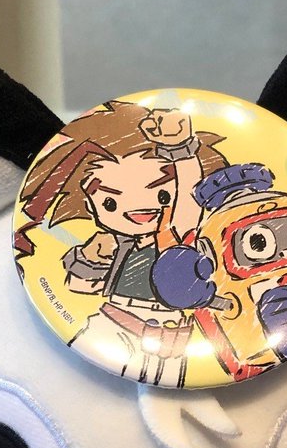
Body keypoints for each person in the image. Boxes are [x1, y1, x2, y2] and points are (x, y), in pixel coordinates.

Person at [19, 101, 228, 386]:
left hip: (176, 342)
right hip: (113, 328)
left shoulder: (175, 236)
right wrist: (91, 258)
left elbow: (189, 201)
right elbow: (77, 287)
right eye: (110, 202)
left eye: (162, 195)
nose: (140, 209)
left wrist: (180, 150)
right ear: (90, 206)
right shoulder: (111, 244)